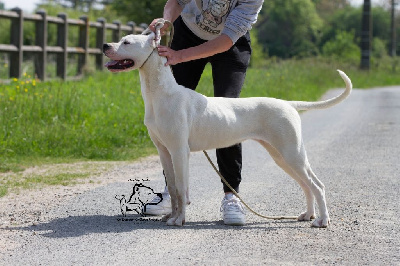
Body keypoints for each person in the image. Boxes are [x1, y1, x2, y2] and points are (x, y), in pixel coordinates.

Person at [142, 0, 264, 226]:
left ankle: (231, 196)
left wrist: (180, 56)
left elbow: (226, 41)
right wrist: (167, 20)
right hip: (188, 32)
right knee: (170, 114)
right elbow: (176, 2)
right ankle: (174, 193)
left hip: (230, 42)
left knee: (227, 114)